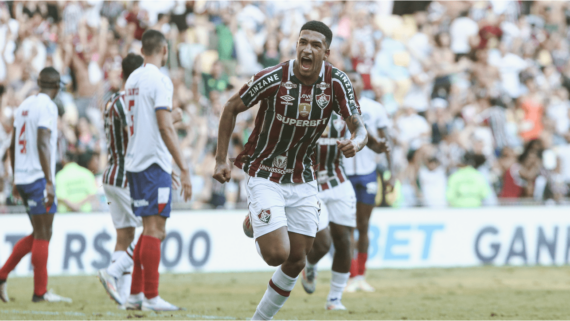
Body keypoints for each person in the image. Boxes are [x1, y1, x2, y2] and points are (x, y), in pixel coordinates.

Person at [213, 21, 368, 320]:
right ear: (296, 45)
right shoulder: (273, 77)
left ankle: (260, 319)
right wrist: (222, 158)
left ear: (326, 52)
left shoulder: (337, 82)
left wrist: (358, 141)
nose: (307, 49)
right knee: (276, 255)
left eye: (315, 45)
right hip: (265, 172)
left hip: (303, 176)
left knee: (298, 259)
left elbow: (357, 124)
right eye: (302, 42)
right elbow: (231, 107)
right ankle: (257, 223)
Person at [122, 30, 192, 312]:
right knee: (155, 230)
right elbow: (163, 126)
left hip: (137, 161)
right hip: (152, 162)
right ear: (164, 50)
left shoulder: (132, 79)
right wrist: (183, 167)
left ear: (142, 50)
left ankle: (135, 296)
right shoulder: (159, 79)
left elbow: (151, 123)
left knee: (147, 229)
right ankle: (151, 296)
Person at [300, 104, 389, 310]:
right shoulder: (301, 112)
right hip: (310, 185)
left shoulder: (347, 116)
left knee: (344, 241)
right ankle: (310, 264)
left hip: (338, 183)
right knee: (322, 242)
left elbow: (367, 138)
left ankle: (334, 299)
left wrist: (376, 146)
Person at [0, 67, 71, 303]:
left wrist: (14, 178)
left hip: (23, 177)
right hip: (38, 178)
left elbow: (11, 144)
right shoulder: (48, 107)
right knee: (44, 233)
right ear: (57, 87)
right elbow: (42, 142)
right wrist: (49, 181)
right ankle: (40, 292)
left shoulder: (24, 105)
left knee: (39, 232)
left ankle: (2, 275)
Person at [96, 53, 144, 307]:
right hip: (126, 177)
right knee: (150, 231)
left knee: (124, 235)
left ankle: (122, 295)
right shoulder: (129, 102)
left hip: (111, 174)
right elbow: (134, 133)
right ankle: (112, 273)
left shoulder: (113, 101)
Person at [343, 73, 393, 292]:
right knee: (346, 227)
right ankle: (350, 275)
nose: (353, 84)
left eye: (356, 80)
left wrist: (392, 172)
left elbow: (385, 140)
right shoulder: (335, 107)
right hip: (342, 174)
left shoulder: (375, 108)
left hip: (368, 173)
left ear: (362, 84)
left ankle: (361, 275)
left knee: (363, 225)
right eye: (349, 80)